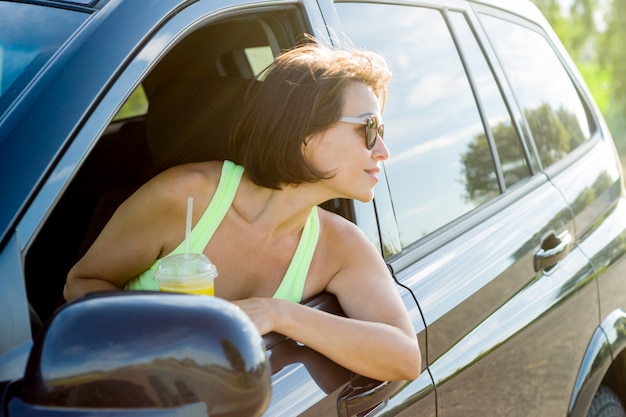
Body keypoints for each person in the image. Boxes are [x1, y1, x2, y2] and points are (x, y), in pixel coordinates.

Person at [64, 38, 421, 382]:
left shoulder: (339, 245)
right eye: (369, 128)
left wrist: (279, 314)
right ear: (304, 131)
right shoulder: (185, 196)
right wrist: (153, 333)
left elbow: (404, 357)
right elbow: (80, 284)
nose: (384, 151)